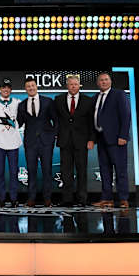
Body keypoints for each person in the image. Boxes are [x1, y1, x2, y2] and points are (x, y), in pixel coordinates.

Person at [54, 76, 95, 207]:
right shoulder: (58, 99)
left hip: (82, 141)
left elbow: (92, 122)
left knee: (82, 170)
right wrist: (55, 135)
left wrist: (91, 139)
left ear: (79, 85)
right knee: (66, 172)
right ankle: (67, 199)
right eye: (71, 84)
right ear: (67, 85)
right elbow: (56, 120)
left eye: (75, 84)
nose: (73, 86)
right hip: (65, 141)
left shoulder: (88, 101)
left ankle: (82, 199)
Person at [92, 72, 131, 208]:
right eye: (101, 80)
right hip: (101, 139)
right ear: (98, 83)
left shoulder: (119, 94)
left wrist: (123, 136)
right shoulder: (96, 97)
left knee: (120, 170)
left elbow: (126, 115)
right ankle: (106, 198)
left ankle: (123, 199)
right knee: (104, 170)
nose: (103, 82)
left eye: (106, 79)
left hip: (117, 139)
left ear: (110, 81)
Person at [17, 78, 58, 207]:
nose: (31, 88)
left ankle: (47, 199)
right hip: (30, 143)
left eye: (32, 85)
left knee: (47, 170)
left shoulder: (48, 101)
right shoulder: (22, 105)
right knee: (31, 170)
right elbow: (19, 122)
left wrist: (53, 135)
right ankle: (31, 199)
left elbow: (56, 120)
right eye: (28, 86)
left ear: (36, 86)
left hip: (46, 142)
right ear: (25, 89)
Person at [0, 78, 22, 208]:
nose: (5, 89)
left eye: (8, 87)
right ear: (0, 89)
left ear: (11, 89)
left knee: (14, 172)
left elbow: (22, 120)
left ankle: (14, 199)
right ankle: (1, 199)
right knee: (0, 172)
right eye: (3, 87)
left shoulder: (18, 103)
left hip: (13, 142)